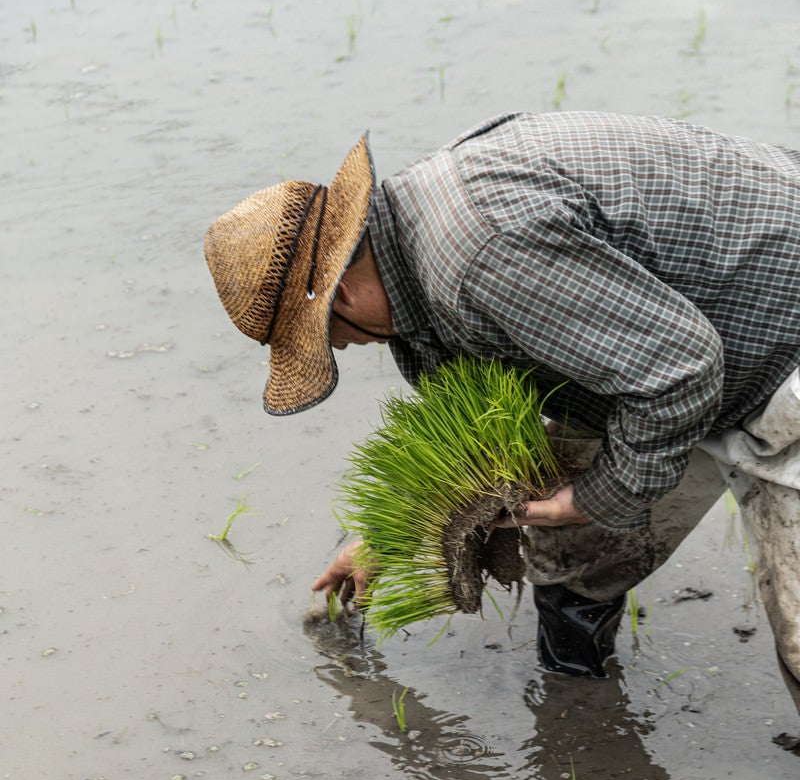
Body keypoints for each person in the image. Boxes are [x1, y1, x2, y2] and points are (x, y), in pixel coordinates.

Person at [204, 111, 800, 710]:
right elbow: (479, 426)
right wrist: (389, 532)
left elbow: (682, 372)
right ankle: (577, 707)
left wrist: (596, 498)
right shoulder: (408, 263)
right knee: (571, 554)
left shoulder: (478, 256)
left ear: (344, 292)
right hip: (669, 357)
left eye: (324, 335)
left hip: (778, 341)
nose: (340, 348)